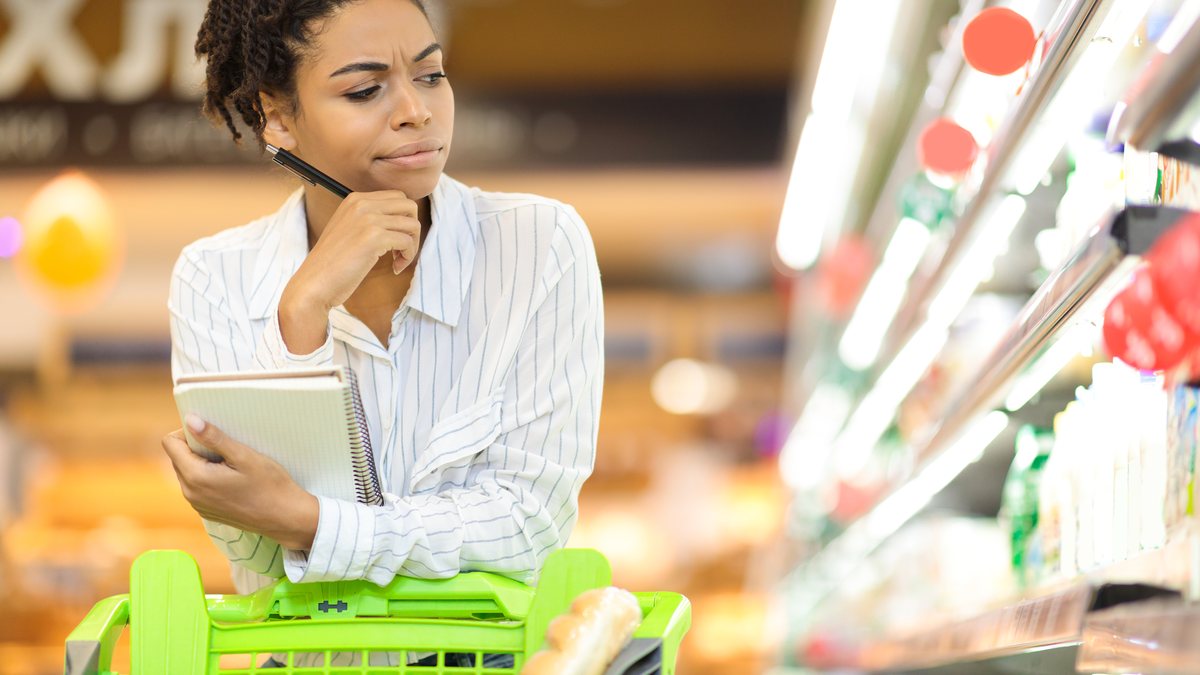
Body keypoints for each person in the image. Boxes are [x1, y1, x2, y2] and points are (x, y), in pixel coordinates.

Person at [160, 0, 604, 667]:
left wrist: (313, 523)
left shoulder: (540, 246)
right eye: (365, 89)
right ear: (278, 117)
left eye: (430, 75)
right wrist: (302, 312)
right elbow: (252, 548)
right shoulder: (214, 278)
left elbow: (526, 525)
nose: (416, 110)